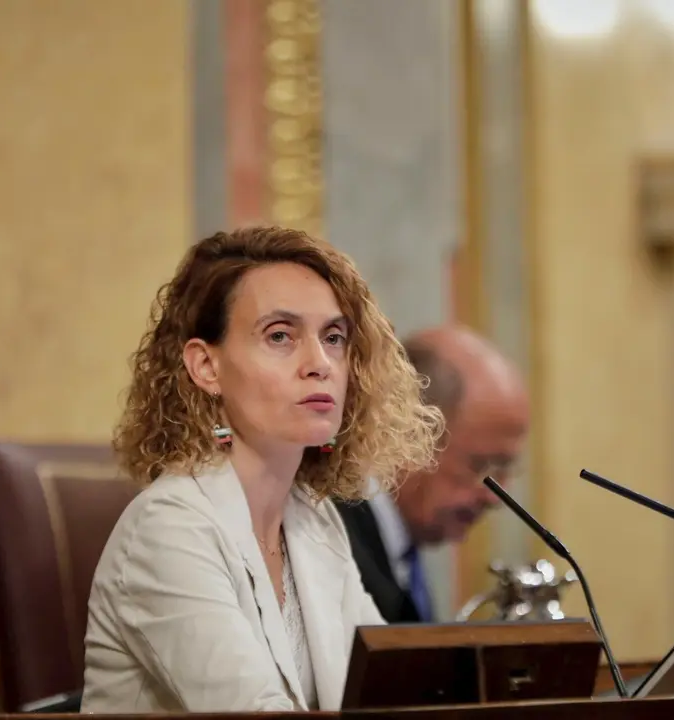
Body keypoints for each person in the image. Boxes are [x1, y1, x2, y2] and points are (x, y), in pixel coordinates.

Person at [81, 227, 443, 713]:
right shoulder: (169, 528)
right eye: (280, 336)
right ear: (206, 366)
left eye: (333, 337)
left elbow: (388, 693)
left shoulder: (315, 521)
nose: (320, 363)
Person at [337, 325, 529, 623]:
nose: (495, 497)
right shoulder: (333, 542)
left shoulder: (402, 544)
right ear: (407, 430)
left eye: (506, 469)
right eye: (482, 466)